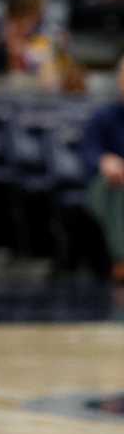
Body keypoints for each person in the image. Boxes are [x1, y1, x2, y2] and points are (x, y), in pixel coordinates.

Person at [83, 56, 124, 284]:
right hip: (106, 187)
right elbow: (89, 154)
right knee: (119, 185)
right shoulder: (103, 116)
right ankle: (121, 259)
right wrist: (105, 160)